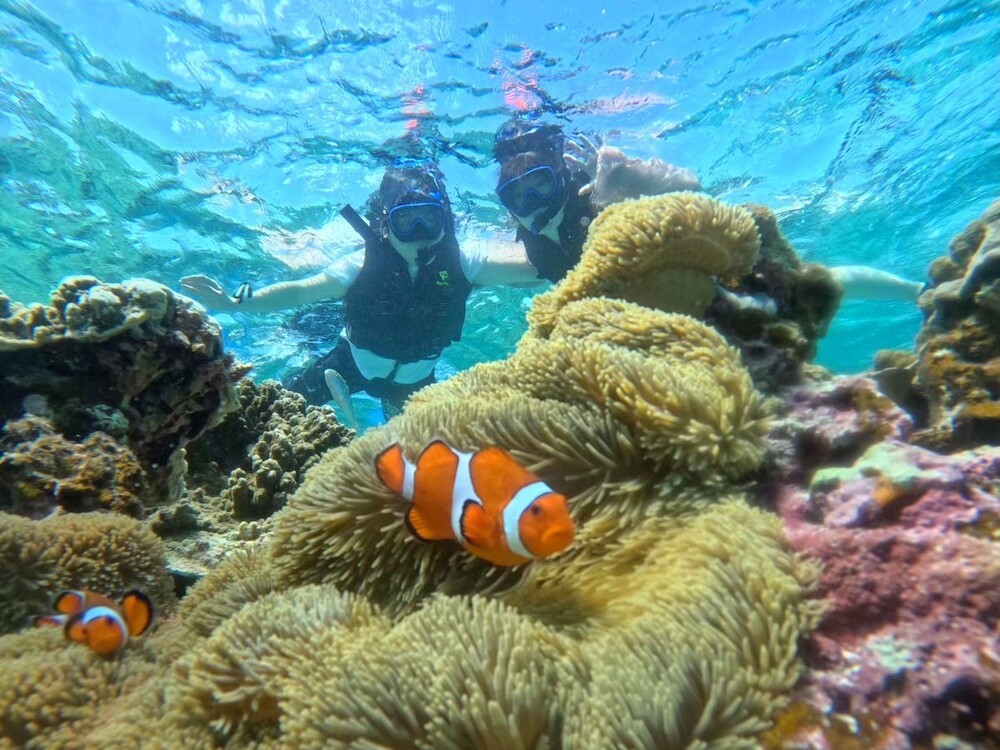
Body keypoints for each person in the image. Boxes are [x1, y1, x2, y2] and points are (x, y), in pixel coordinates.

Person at [180, 162, 542, 424]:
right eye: (406, 220)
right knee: (270, 415)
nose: (418, 232)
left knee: (428, 457)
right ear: (385, 223)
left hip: (417, 384)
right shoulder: (360, 265)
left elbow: (537, 267)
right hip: (346, 367)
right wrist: (238, 302)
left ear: (444, 221)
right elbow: (302, 290)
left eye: (429, 220)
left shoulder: (466, 261)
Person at [492, 117, 702, 282]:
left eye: (540, 185)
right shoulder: (527, 237)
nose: (533, 203)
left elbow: (691, 186)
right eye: (517, 197)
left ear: (560, 178)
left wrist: (631, 179)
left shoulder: (595, 187)